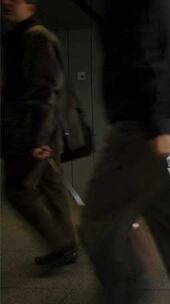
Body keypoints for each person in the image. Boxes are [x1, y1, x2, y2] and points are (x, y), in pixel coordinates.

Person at [79, 1, 170, 303]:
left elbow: (139, 57)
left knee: (98, 222)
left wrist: (155, 128)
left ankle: (126, 294)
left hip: (148, 133)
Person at [1, 0, 78, 266]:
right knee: (51, 188)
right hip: (36, 130)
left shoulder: (35, 38)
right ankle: (67, 246)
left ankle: (60, 243)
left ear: (31, 6)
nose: (6, 3)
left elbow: (46, 91)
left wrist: (40, 138)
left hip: (33, 132)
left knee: (17, 189)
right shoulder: (19, 39)